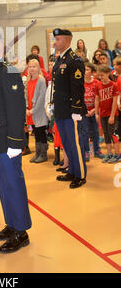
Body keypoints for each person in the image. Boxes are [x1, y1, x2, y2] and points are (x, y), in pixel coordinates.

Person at [0, 32, 32, 254]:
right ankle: (11, 224)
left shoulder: (8, 72)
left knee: (13, 184)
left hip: (6, 141)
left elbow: (16, 109)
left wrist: (15, 142)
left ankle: (21, 232)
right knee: (2, 185)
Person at [52, 28, 87, 189]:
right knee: (66, 143)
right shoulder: (59, 60)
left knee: (75, 143)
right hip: (60, 110)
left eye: (57, 39)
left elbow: (78, 87)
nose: (55, 42)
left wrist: (76, 110)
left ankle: (80, 175)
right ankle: (72, 170)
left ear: (66, 40)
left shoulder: (75, 60)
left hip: (71, 111)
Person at [95, 65, 120, 163]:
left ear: (107, 74)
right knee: (106, 134)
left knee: (112, 133)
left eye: (102, 75)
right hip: (103, 114)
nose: (101, 78)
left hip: (111, 114)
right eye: (99, 76)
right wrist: (97, 113)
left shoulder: (113, 85)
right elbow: (97, 99)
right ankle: (109, 153)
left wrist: (112, 115)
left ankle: (117, 154)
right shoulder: (98, 85)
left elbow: (114, 102)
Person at [79, 63, 104, 160]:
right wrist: (85, 111)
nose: (85, 72)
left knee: (95, 131)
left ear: (92, 72)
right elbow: (79, 98)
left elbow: (99, 98)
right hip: (84, 112)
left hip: (94, 111)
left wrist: (94, 110)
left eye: (87, 70)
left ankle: (97, 150)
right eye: (84, 70)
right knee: (84, 132)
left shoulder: (96, 83)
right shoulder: (80, 82)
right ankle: (86, 152)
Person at [26, 59, 49, 163]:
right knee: (36, 133)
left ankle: (43, 154)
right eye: (30, 67)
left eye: (34, 67)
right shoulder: (28, 81)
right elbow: (26, 95)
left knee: (41, 133)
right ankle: (38, 153)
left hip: (38, 112)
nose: (32, 69)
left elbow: (41, 97)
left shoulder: (41, 80)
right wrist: (27, 108)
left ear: (38, 68)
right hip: (30, 111)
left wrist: (33, 110)